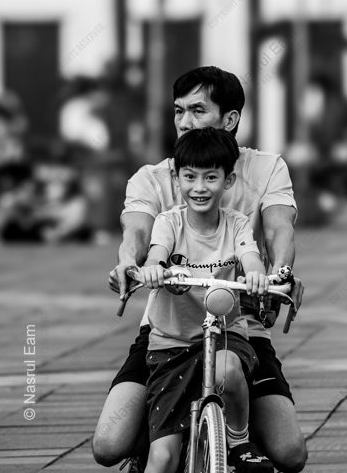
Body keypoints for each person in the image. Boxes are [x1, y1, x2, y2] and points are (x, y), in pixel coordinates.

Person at [94, 66, 307, 473]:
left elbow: (280, 226)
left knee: (290, 453)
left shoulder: (265, 168)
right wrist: (129, 263)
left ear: (230, 120)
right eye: (178, 111)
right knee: (108, 445)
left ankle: (236, 436)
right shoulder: (154, 177)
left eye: (197, 110)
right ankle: (158, 436)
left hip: (239, 324)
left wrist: (278, 272)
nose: (184, 122)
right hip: (169, 333)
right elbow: (136, 232)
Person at [136, 128, 272, 472]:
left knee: (227, 368)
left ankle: (239, 440)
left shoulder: (237, 224)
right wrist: (153, 269)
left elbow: (250, 255)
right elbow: (156, 253)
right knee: (162, 457)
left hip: (225, 335)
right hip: (172, 343)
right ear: (176, 178)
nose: (199, 187)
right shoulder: (169, 223)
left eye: (211, 177)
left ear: (228, 181)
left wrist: (255, 274)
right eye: (190, 176)